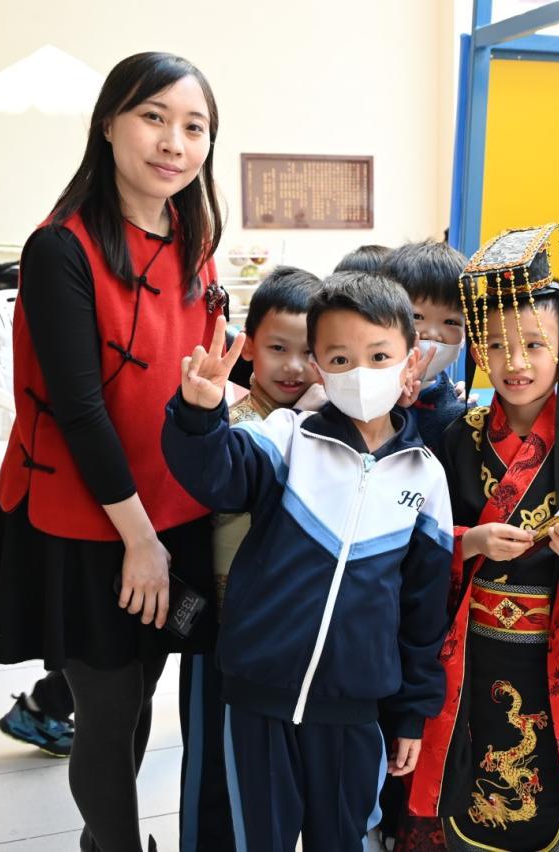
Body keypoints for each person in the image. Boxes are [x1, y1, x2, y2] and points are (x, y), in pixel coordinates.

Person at [0, 52, 227, 852]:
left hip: (172, 505)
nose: (174, 143)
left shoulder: (195, 241)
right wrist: (139, 543)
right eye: (154, 117)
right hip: (91, 520)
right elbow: (80, 410)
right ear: (109, 123)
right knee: (109, 715)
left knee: (141, 692)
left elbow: (197, 376)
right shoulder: (61, 248)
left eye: (194, 127)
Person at [161, 272, 454, 851]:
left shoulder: (425, 477)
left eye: (379, 356)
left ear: (410, 363)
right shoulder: (287, 438)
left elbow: (424, 612)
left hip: (353, 709)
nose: (360, 373)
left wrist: (410, 715)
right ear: (319, 369)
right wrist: (199, 415)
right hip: (257, 698)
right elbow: (218, 476)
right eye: (341, 359)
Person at [406, 225, 559, 852]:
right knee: (472, 775)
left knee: (551, 779)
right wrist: (469, 541)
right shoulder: (457, 438)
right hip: (473, 647)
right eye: (497, 345)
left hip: (554, 645)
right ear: (478, 351)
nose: (515, 363)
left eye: (534, 345)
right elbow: (419, 537)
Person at [181, 264, 322, 848]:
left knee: (272, 781)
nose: (293, 366)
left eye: (310, 351)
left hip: (293, 638)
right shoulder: (232, 424)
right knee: (213, 773)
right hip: (222, 634)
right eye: (277, 348)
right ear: (249, 346)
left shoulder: (333, 429)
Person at [380, 240, 469, 455]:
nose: (432, 333)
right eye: (417, 316)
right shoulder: (365, 392)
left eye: (451, 322)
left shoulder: (458, 412)